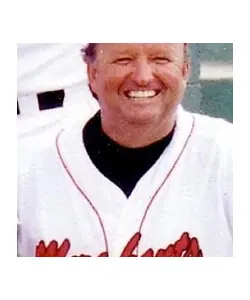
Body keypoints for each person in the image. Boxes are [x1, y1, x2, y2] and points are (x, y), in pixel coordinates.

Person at [17, 43, 232, 257]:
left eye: (161, 59)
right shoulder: (28, 168)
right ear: (92, 74)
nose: (143, 77)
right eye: (123, 60)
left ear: (185, 69)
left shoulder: (228, 155)